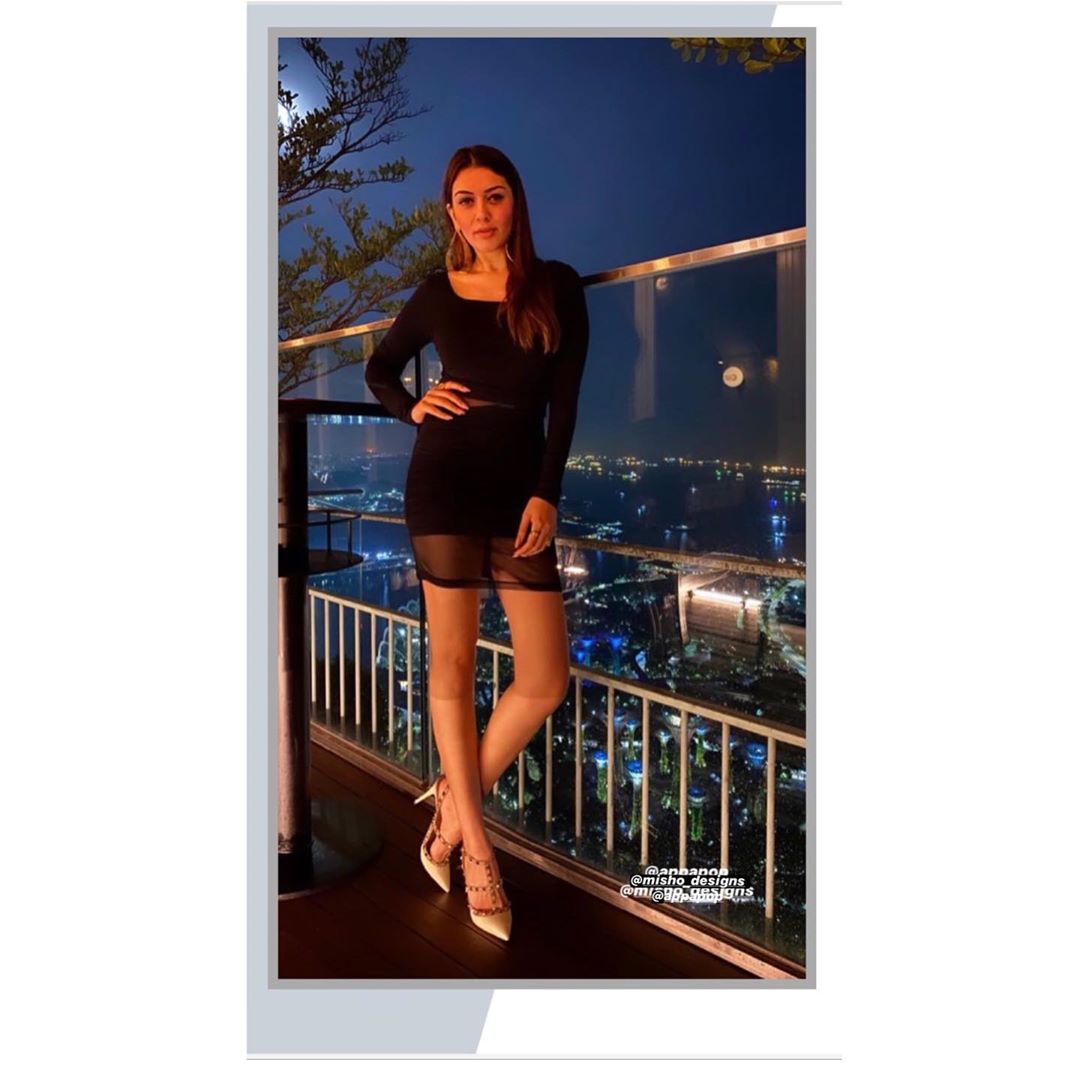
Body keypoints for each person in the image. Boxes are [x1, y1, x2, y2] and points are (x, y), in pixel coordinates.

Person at [364, 145, 590, 942]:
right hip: (444, 483)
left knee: (546, 677)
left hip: (519, 491)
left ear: (514, 202)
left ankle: (450, 816)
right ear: (450, 212)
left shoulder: (556, 285)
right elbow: (380, 369)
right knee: (452, 667)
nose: (481, 212)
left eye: (494, 196)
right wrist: (413, 408)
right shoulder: (437, 293)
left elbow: (565, 404)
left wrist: (547, 492)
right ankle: (478, 852)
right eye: (465, 200)